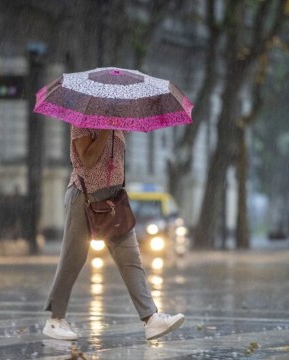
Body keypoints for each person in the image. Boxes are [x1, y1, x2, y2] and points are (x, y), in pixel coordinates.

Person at [43, 126, 185, 341]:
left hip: (113, 200)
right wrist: (105, 131)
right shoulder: (83, 120)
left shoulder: (117, 121)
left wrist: (118, 129)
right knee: (73, 258)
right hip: (83, 198)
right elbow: (88, 159)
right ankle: (55, 319)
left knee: (131, 259)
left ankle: (151, 319)